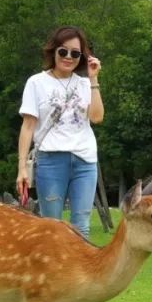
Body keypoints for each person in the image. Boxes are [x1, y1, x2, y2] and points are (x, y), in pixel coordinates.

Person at [16, 25, 104, 238]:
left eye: (75, 53)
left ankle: (78, 272)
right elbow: (28, 126)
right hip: (51, 160)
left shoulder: (84, 84)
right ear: (53, 51)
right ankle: (52, 272)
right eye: (63, 51)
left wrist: (93, 79)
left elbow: (97, 117)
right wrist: (22, 168)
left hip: (85, 161)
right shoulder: (37, 83)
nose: (68, 57)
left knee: (81, 226)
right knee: (51, 227)